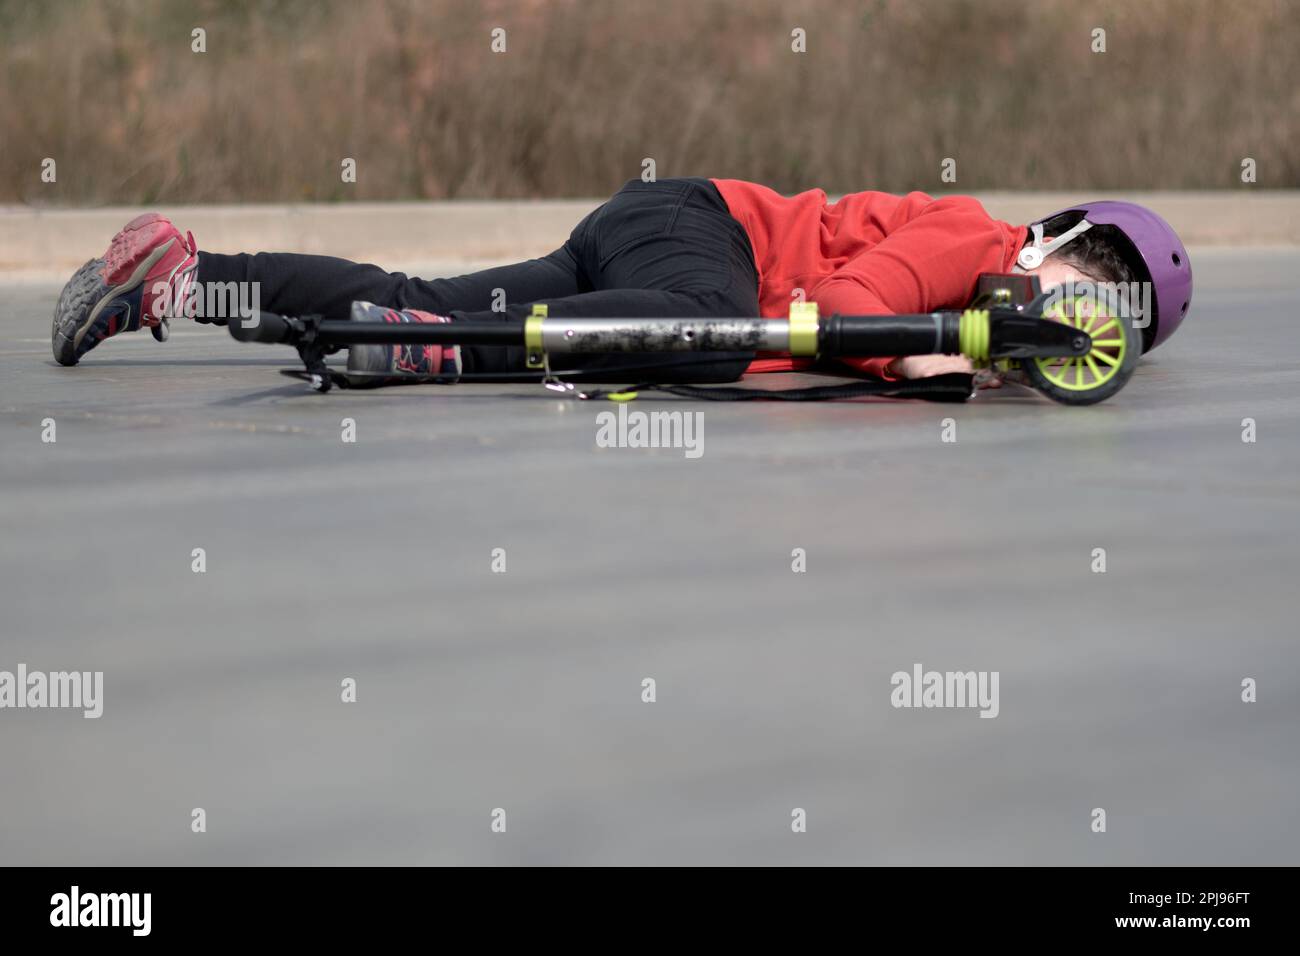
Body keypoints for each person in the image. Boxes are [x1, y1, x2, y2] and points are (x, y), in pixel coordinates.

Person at [51, 178, 1192, 387]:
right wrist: (917, 353)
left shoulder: (992, 279)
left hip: (649, 232)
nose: (1060, 308)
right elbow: (833, 316)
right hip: (702, 239)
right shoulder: (978, 243)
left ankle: (181, 276)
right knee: (713, 332)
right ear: (1042, 241)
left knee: (428, 291)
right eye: (1075, 275)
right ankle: (428, 350)